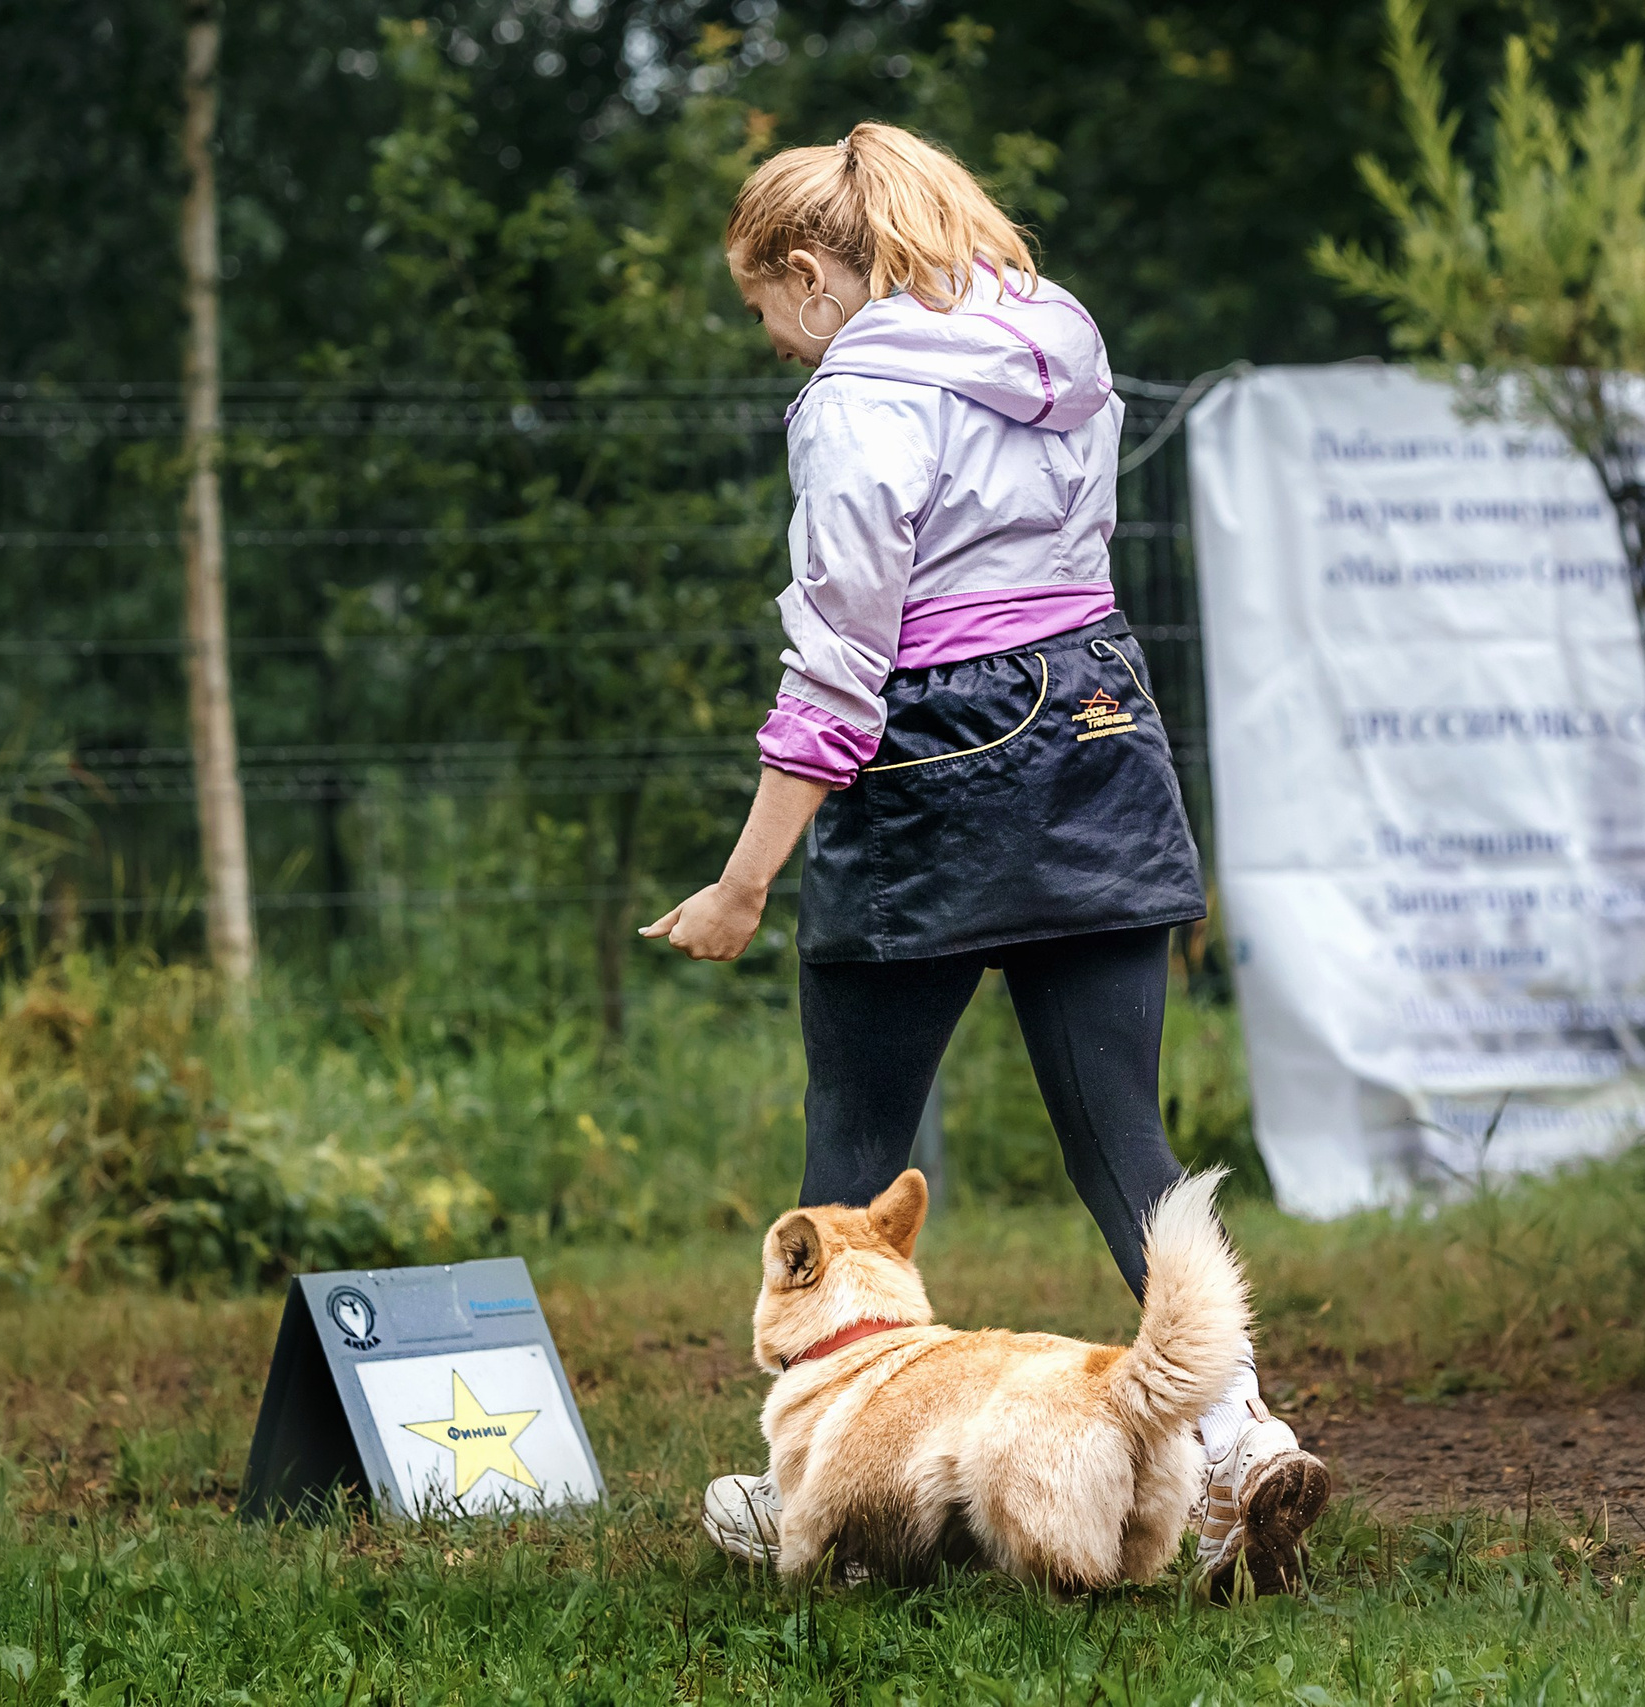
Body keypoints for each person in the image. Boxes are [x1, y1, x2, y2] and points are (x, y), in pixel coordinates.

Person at [641, 121, 1328, 1596]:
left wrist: (744, 879)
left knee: (850, 1160)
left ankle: (818, 1492)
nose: (775, 347)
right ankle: (1243, 1442)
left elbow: (838, 662)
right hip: (1095, 721)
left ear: (812, 270)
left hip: (936, 757)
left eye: (767, 313)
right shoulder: (1060, 349)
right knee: (1120, 1142)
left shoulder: (853, 400)